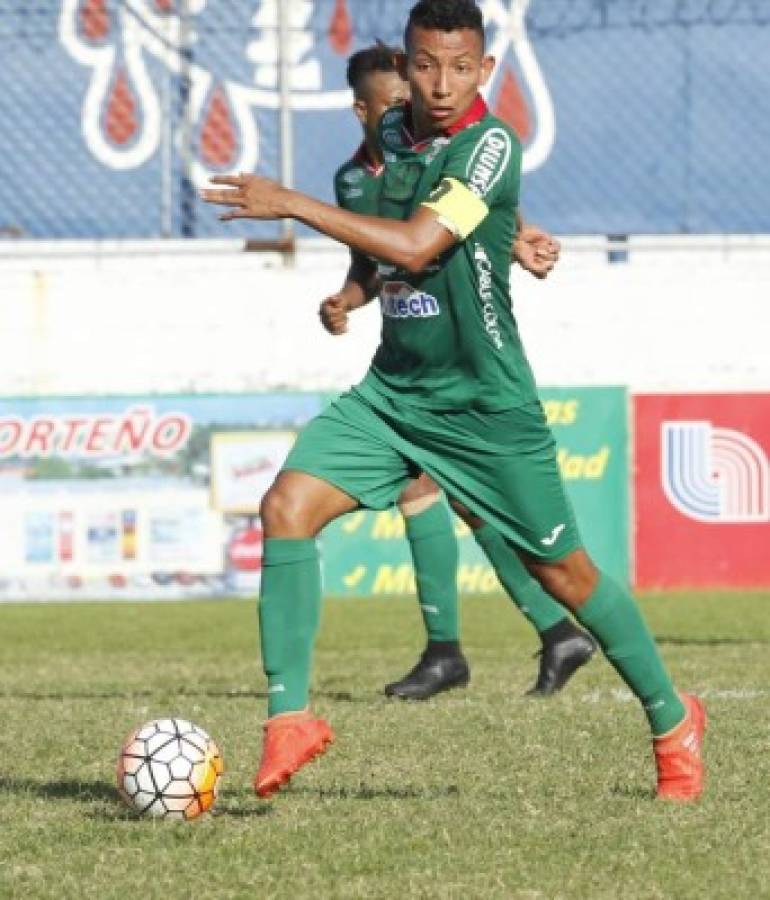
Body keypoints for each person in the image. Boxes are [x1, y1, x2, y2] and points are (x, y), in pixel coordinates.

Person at [203, 0, 706, 803]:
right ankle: (287, 719)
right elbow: (417, 215)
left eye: (460, 66)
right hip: (395, 393)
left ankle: (673, 717)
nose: (442, 83)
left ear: (485, 70)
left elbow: (419, 241)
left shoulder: (492, 140)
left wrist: (289, 202)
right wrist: (509, 234)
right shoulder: (395, 134)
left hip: (484, 407)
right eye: (426, 65)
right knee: (286, 505)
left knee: (566, 575)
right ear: (405, 66)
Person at [322, 42, 595, 701]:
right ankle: (549, 632)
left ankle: (459, 649)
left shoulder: (455, 154)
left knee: (446, 496)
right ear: (363, 111)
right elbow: (375, 266)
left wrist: (521, 236)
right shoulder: (353, 182)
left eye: (412, 97)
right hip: (407, 361)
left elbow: (471, 212)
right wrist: (346, 300)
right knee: (462, 501)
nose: (417, 106)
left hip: (460, 364)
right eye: (397, 101)